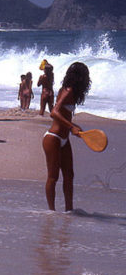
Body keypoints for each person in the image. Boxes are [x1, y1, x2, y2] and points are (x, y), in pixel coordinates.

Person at [42, 62, 90, 212]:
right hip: (53, 137)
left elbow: (62, 115)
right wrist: (71, 127)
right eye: (85, 76)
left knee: (69, 175)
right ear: (79, 77)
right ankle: (52, 212)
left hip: (64, 139)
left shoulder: (73, 92)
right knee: (53, 176)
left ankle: (69, 211)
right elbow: (54, 112)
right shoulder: (68, 90)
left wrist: (73, 126)